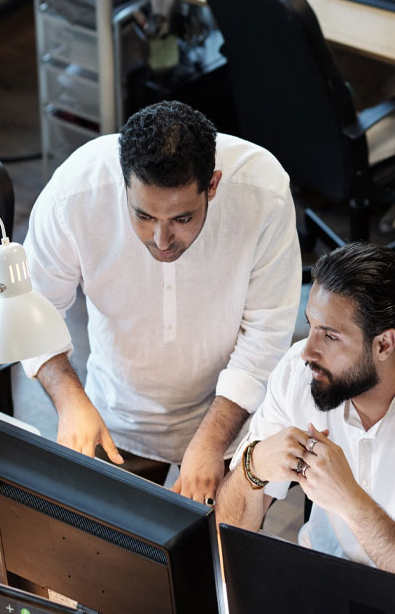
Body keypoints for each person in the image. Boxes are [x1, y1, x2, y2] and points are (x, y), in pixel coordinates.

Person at [21, 101, 302, 502]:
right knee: (105, 536)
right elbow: (33, 308)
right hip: (116, 417)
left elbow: (266, 335)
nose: (161, 240)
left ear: (213, 185)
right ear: (123, 183)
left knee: (220, 540)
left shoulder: (264, 194)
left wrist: (209, 443)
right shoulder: (74, 193)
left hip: (229, 416)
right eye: (144, 217)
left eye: (182, 219)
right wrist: (70, 402)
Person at [215, 242, 395, 599]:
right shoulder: (299, 375)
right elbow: (224, 539)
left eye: (330, 336)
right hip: (327, 586)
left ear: (384, 345)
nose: (307, 351)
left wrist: (349, 498)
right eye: (311, 326)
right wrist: (251, 467)